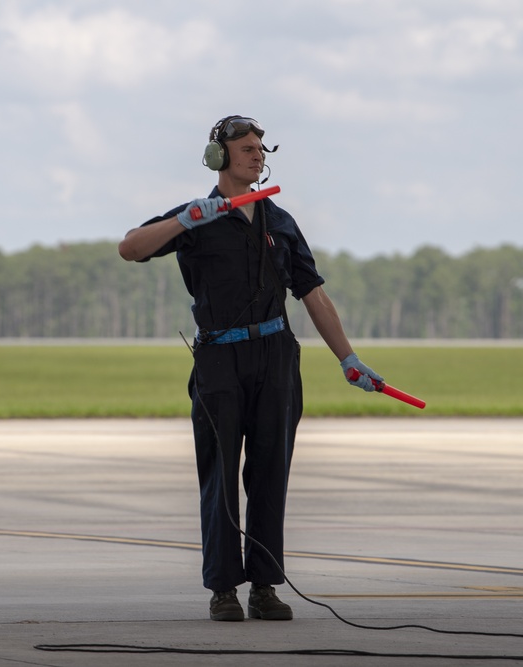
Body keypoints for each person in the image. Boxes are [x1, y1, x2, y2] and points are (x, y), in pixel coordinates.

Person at [118, 115, 384, 622]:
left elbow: (312, 292)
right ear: (219, 156)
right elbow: (130, 247)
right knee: (219, 474)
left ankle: (264, 585)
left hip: (275, 356)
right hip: (219, 358)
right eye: (245, 148)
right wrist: (186, 221)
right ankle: (222, 589)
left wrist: (347, 358)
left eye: (261, 149)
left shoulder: (279, 221)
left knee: (269, 473)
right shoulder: (195, 217)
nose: (257, 156)